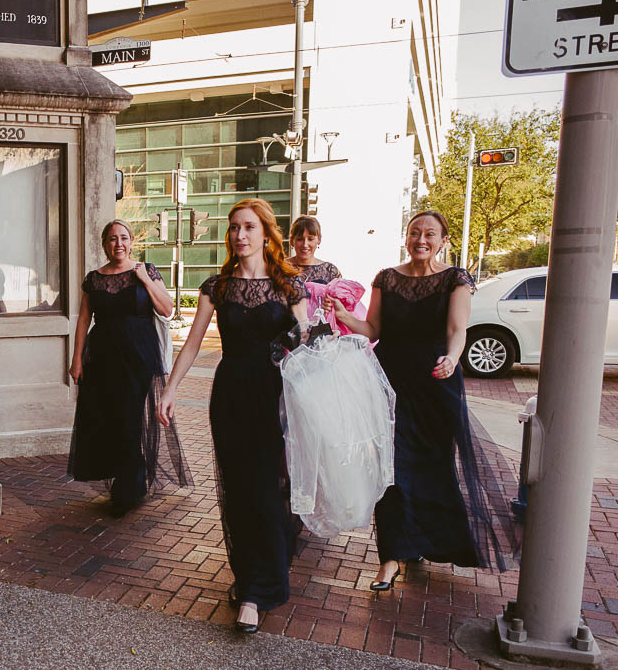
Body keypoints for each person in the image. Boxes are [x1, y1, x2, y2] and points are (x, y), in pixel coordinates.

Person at [328, 210, 507, 592]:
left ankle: (426, 543)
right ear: (405, 237)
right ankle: (390, 557)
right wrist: (345, 316)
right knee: (389, 468)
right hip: (388, 383)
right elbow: (373, 328)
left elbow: (457, 330)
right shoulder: (386, 279)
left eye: (430, 234)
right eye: (414, 233)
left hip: (435, 380)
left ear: (444, 240)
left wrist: (454, 358)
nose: (421, 240)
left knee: (431, 465)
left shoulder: (455, 279)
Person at [158, 199, 311, 633]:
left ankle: (256, 590)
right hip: (230, 396)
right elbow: (190, 345)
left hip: (276, 397)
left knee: (269, 489)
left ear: (266, 233)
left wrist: (298, 338)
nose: (239, 235)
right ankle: (250, 581)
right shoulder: (216, 287)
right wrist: (170, 391)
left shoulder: (288, 285)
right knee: (240, 492)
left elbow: (308, 342)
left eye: (248, 227)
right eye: (233, 228)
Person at [68, 219, 190, 515]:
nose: (118, 243)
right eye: (112, 238)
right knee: (108, 419)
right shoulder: (94, 278)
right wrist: (76, 360)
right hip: (101, 358)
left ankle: (130, 487)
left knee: (130, 419)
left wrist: (146, 281)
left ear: (132, 242)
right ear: (104, 244)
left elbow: (166, 309)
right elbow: (84, 319)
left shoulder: (145, 271)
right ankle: (124, 480)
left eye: (123, 238)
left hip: (138, 355)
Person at [287, 215, 342, 286]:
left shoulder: (330, 271)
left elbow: (343, 295)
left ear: (319, 240)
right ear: (291, 241)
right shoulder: (279, 268)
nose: (305, 244)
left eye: (310, 239)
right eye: (299, 239)